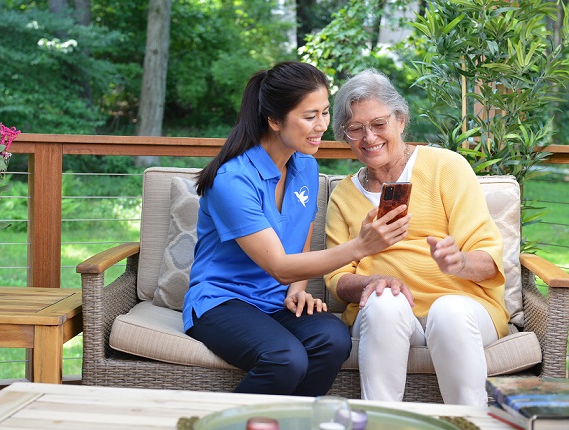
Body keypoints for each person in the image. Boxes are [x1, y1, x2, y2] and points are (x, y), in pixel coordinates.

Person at [182, 61, 410, 396]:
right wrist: (360, 246)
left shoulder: (304, 165)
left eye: (324, 112)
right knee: (285, 358)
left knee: (333, 339)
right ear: (274, 120)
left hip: (275, 301)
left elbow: (302, 232)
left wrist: (297, 291)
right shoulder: (232, 181)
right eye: (309, 116)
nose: (321, 126)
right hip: (221, 302)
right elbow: (279, 266)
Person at [324, 68, 509, 406]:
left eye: (379, 124)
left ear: (401, 121)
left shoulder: (445, 166)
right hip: (387, 313)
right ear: (344, 135)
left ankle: (470, 422)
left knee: (449, 311)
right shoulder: (343, 196)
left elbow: (489, 260)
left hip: (464, 305)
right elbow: (337, 280)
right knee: (384, 301)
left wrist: (460, 261)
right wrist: (371, 282)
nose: (369, 138)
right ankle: (381, 423)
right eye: (356, 129)